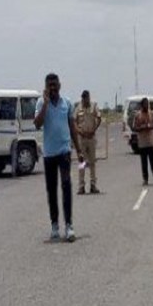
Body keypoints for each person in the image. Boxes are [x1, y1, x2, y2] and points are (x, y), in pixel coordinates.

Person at [33, 73, 82, 242]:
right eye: (49, 85)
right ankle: (54, 224)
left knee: (66, 185)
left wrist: (79, 150)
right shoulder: (41, 102)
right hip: (49, 154)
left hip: (64, 152)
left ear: (59, 85)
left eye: (54, 85)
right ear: (46, 87)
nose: (52, 88)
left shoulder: (66, 103)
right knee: (51, 190)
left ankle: (69, 225)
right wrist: (46, 104)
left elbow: (72, 127)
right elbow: (37, 124)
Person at [73, 89, 101, 194]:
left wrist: (94, 129)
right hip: (82, 138)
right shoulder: (78, 107)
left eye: (87, 98)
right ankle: (81, 186)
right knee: (82, 162)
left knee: (92, 162)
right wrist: (79, 131)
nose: (86, 100)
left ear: (89, 97)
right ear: (82, 98)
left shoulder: (94, 106)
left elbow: (99, 118)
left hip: (91, 137)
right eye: (84, 98)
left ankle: (93, 185)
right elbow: (74, 121)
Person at [133, 98, 153, 186]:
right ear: (142, 105)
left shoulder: (151, 113)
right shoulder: (138, 115)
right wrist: (142, 127)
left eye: (147, 104)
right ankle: (145, 179)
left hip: (151, 142)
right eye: (145, 104)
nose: (146, 105)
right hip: (142, 143)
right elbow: (135, 128)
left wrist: (152, 130)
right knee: (144, 163)